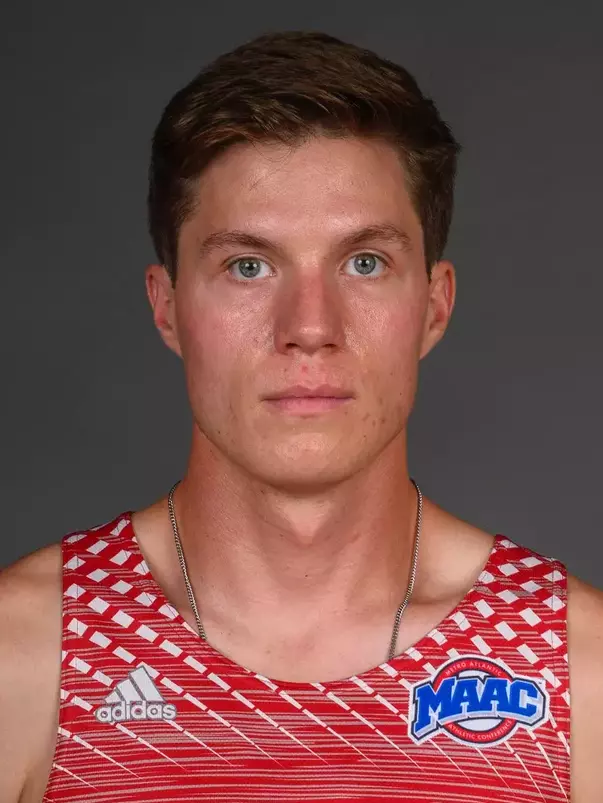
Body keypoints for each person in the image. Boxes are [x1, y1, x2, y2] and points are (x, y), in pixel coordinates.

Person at [1, 30, 601, 803]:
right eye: (248, 265)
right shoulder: (28, 656)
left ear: (433, 305)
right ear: (167, 307)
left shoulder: (573, 669)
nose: (309, 325)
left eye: (364, 262)